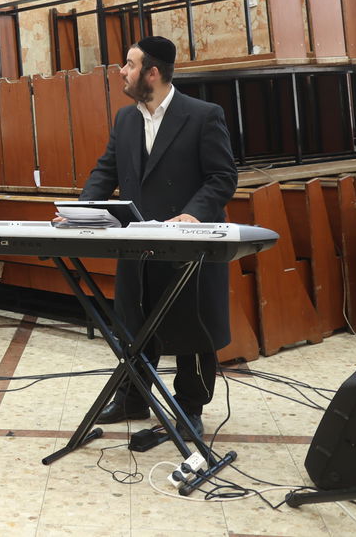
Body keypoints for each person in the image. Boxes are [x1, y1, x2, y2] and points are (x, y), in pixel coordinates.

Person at [80, 36, 237, 446]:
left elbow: (222, 177)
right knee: (134, 325)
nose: (122, 71)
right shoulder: (125, 119)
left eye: (129, 65)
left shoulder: (203, 115)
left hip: (188, 244)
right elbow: (106, 170)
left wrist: (194, 212)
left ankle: (190, 409)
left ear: (152, 72)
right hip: (138, 244)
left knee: (192, 329)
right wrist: (82, 210)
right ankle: (133, 398)